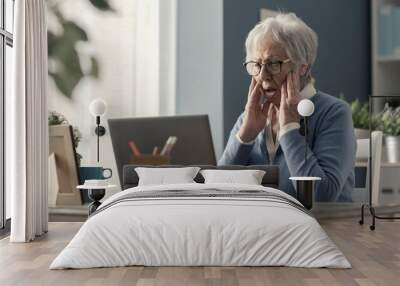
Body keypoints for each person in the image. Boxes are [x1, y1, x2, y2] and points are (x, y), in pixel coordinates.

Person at [218, 13, 356, 202]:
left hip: (321, 228)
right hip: (263, 227)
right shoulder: (248, 118)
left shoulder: (334, 113)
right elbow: (217, 189)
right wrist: (245, 137)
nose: (263, 75)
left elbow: (322, 195)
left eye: (273, 64)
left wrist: (290, 128)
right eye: (257, 65)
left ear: (303, 68)